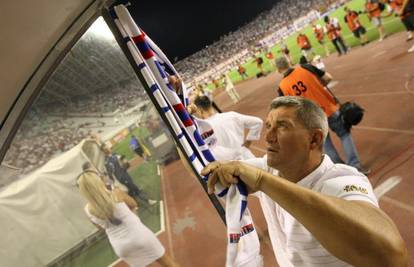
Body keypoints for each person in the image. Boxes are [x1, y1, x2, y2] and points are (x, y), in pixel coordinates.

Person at [201, 96, 408, 267]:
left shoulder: (342, 179)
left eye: (282, 127)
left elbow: (391, 255)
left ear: (315, 139)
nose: (268, 137)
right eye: (268, 126)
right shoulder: (271, 168)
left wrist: (264, 181)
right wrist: (179, 115)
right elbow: (204, 168)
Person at [274, 56, 369, 174]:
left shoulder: (282, 87)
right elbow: (328, 77)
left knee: (326, 145)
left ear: (278, 70)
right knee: (344, 134)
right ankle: (356, 166)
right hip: (329, 108)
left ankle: (345, 172)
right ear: (290, 62)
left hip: (311, 119)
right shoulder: (306, 68)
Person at [77, 170, 179, 267]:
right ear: (98, 182)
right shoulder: (116, 193)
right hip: (139, 235)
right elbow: (133, 204)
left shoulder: (87, 210)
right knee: (167, 263)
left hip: (121, 246)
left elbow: (101, 228)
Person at [191, 95, 263, 160]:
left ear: (200, 111)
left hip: (230, 167)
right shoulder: (231, 115)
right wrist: (248, 143)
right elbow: (258, 122)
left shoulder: (203, 129)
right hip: (248, 158)